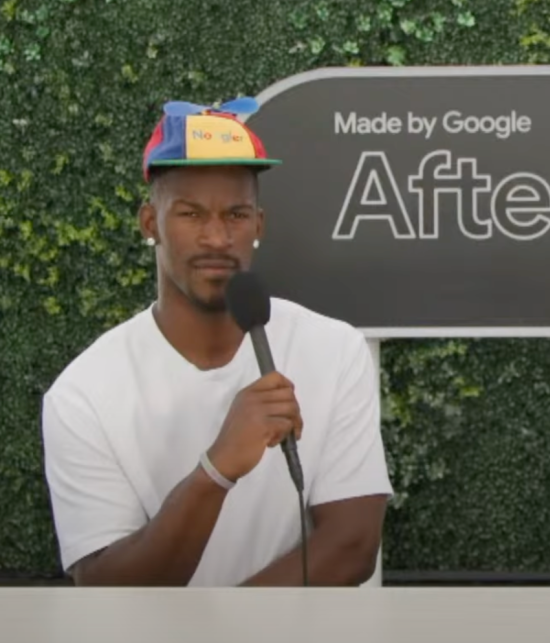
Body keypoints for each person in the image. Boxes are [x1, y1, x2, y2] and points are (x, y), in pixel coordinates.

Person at [40, 98, 393, 587]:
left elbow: (352, 547)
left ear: (258, 225)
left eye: (235, 215)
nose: (216, 237)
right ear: (150, 224)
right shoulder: (83, 394)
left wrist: (227, 630)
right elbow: (104, 586)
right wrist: (217, 469)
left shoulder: (333, 351)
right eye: (190, 214)